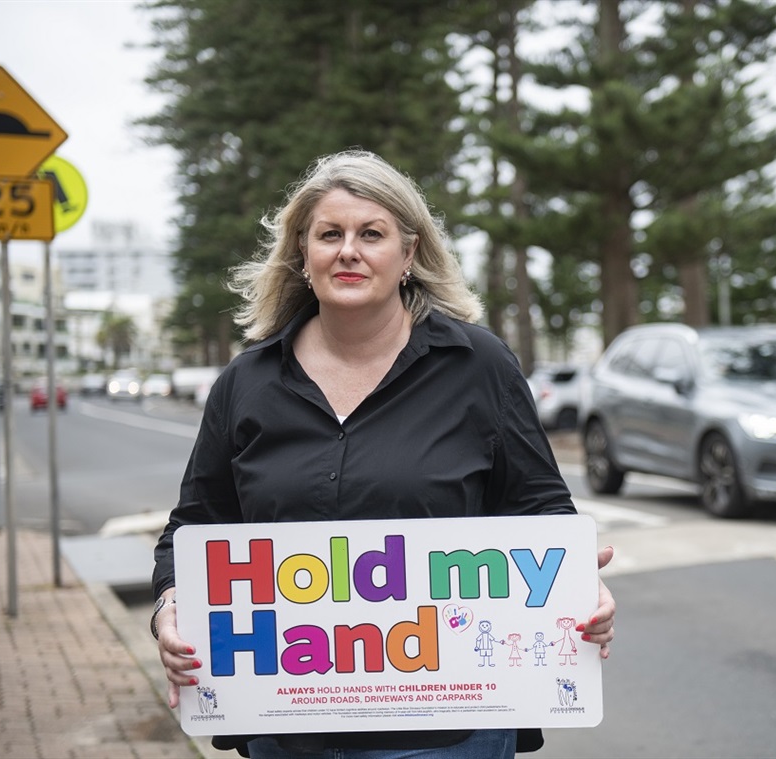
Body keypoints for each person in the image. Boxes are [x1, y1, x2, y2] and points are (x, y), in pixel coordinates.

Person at [150, 149, 617, 759]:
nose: (349, 250)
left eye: (372, 233)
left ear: (409, 254)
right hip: (287, 728)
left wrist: (579, 587)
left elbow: (539, 506)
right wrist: (170, 606)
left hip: (450, 733)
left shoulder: (479, 367)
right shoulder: (246, 384)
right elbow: (193, 528)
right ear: (302, 254)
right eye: (329, 234)